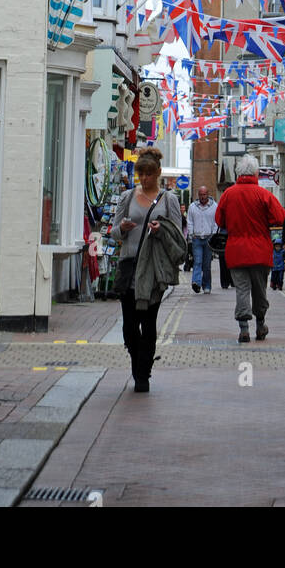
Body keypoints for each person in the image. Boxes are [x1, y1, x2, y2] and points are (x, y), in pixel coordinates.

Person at [111, 147, 185, 393]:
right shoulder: (127, 197)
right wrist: (123, 227)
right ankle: (137, 362)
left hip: (153, 270)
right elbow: (113, 232)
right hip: (129, 266)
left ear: (158, 173)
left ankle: (143, 375)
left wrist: (160, 230)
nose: (144, 178)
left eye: (149, 174)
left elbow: (177, 237)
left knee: (148, 322)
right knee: (129, 326)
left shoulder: (169, 200)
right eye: (141, 173)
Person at [215, 155, 285, 342]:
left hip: (236, 251)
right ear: (255, 172)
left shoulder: (229, 194)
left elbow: (219, 221)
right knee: (260, 290)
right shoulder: (263, 194)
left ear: (239, 172)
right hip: (260, 250)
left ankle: (244, 329)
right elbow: (280, 217)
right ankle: (260, 325)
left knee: (242, 290)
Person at [186, 185, 217, 294]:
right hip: (197, 238)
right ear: (198, 195)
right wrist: (191, 233)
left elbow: (216, 222)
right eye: (201, 195)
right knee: (197, 262)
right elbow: (189, 221)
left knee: (206, 265)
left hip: (209, 238)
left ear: (208, 194)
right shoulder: (192, 207)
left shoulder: (214, 207)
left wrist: (213, 234)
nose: (203, 197)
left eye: (204, 194)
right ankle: (196, 283)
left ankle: (207, 285)